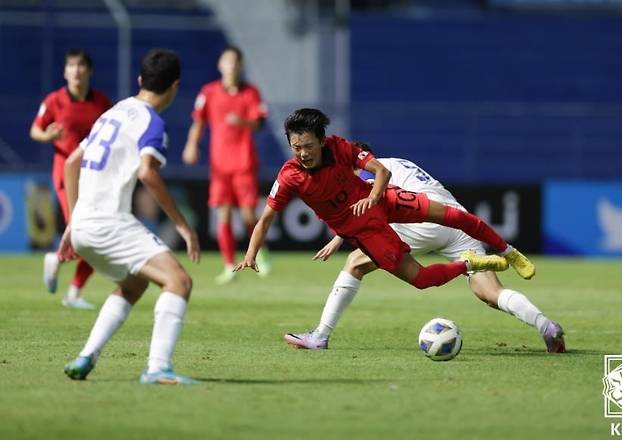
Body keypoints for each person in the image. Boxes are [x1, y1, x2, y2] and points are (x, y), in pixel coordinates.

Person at [234, 108, 535, 301]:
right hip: (365, 231)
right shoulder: (289, 177)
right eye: (296, 147)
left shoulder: (339, 146)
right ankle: (470, 264)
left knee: (455, 216)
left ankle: (510, 252)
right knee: (422, 280)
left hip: (384, 201)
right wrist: (250, 253)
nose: (302, 153)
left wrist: (374, 196)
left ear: (322, 141)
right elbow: (265, 220)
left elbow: (382, 171)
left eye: (308, 146)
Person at [285, 153, 566, 353]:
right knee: (490, 292)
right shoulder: (399, 161)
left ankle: (321, 335)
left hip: (421, 222)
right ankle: (546, 326)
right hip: (453, 222)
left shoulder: (368, 170)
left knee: (355, 263)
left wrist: (339, 238)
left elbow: (373, 203)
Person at [58, 49, 200, 384]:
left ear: (140, 80)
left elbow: (69, 163)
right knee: (179, 281)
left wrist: (72, 220)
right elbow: (148, 174)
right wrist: (183, 225)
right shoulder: (152, 122)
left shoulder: (111, 112)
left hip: (82, 226)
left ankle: (85, 357)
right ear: (175, 86)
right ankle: (158, 368)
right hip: (109, 223)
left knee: (134, 283)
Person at [30, 49, 112, 310]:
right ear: (65, 71)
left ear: (89, 71)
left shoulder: (101, 102)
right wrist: (48, 137)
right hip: (67, 173)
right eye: (71, 66)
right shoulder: (54, 101)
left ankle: (73, 292)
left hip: (95, 175)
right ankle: (59, 260)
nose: (76, 70)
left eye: (81, 66)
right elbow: (35, 130)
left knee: (97, 240)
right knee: (83, 234)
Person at [182, 46, 271, 285]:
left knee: (247, 213)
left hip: (244, 162)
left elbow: (260, 123)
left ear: (240, 66)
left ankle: (259, 254)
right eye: (227, 60)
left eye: (234, 61)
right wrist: (191, 145)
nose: (231, 65)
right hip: (219, 164)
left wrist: (243, 121)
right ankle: (229, 265)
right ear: (220, 64)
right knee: (222, 214)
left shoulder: (251, 92)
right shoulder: (208, 92)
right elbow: (198, 122)